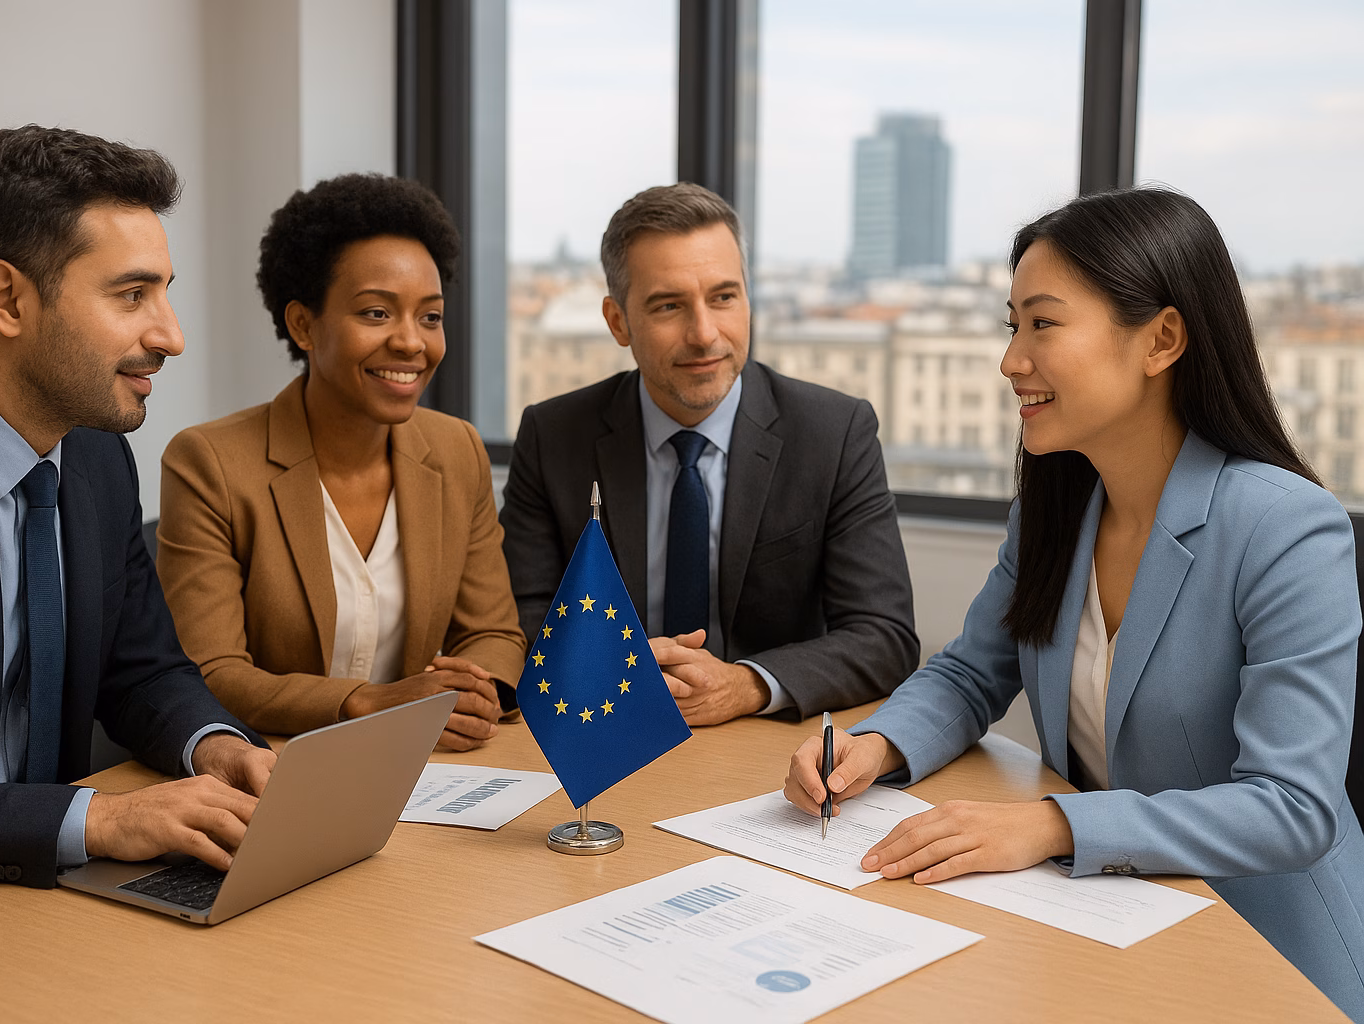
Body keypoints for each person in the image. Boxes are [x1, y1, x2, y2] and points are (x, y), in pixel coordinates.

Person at [783, 187, 1364, 1018]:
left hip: (1269, 961)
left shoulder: (1284, 527)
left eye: (1043, 324)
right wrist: (876, 747)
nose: (1011, 359)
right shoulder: (1056, 511)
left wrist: (1056, 826)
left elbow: (1294, 809)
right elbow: (969, 675)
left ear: (1161, 340)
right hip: (1113, 930)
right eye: (1010, 325)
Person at [0, 126, 276, 886]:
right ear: (7, 298)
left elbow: (143, 672)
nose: (171, 335)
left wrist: (216, 745)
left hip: (52, 901)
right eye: (132, 294)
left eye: (166, 292)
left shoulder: (97, 454)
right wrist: (102, 819)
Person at [499, 183, 919, 725]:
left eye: (723, 298)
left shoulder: (834, 433)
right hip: (602, 726)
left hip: (765, 750)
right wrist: (617, 670)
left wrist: (744, 684)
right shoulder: (553, 435)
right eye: (669, 305)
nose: (704, 334)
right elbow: (519, 616)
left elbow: (884, 636)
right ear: (618, 321)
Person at [157, 173, 524, 752]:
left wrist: (473, 691)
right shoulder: (210, 463)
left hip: (429, 768)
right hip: (271, 767)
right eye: (377, 313)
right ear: (303, 324)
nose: (412, 342)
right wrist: (363, 704)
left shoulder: (458, 451)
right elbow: (210, 671)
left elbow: (493, 632)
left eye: (430, 316)